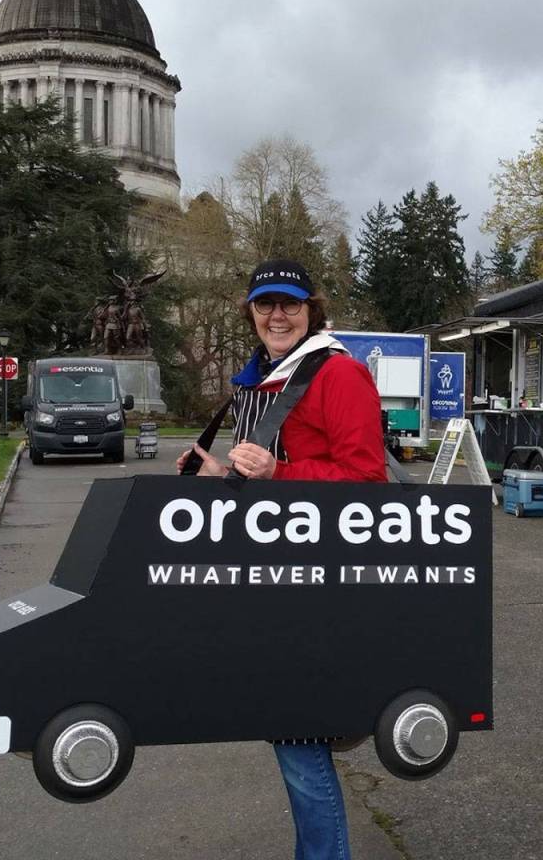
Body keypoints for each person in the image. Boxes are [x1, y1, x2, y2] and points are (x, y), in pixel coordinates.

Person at [177, 259, 386, 860]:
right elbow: (262, 472)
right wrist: (221, 473)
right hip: (277, 573)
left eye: (290, 304)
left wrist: (280, 473)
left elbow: (369, 482)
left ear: (311, 310)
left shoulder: (337, 374)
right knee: (287, 725)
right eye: (265, 304)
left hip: (321, 578)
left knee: (296, 730)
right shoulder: (264, 378)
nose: (277, 315)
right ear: (250, 313)